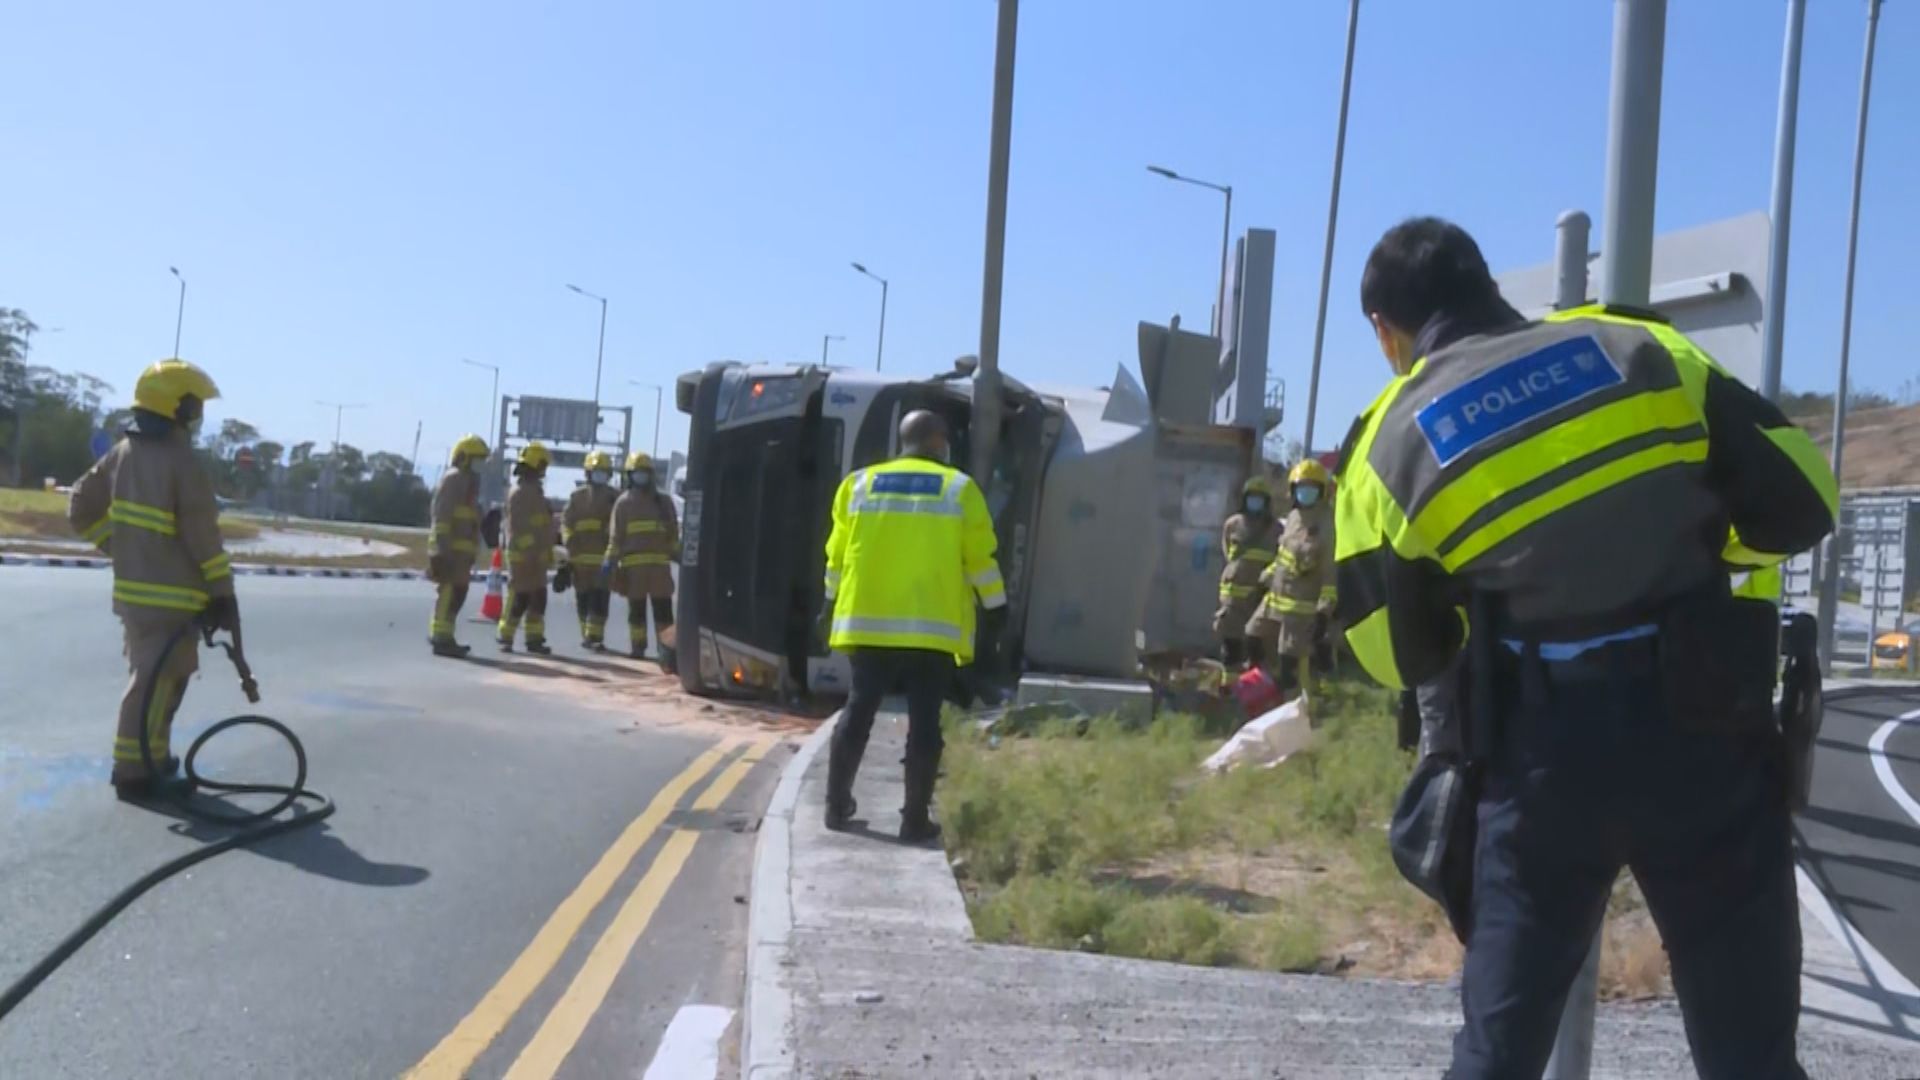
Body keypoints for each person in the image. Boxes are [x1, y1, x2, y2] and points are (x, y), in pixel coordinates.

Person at [1334, 217, 1836, 1080]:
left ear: (1386, 329)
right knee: (1752, 1054)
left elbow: (1393, 654)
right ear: (1489, 285)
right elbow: (1805, 500)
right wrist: (1680, 551)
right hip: (1707, 736)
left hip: (1542, 765)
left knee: (1497, 1056)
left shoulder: (1389, 441)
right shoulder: (1641, 350)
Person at [819, 410, 1006, 842]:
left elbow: (837, 555)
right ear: (939, 441)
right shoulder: (959, 489)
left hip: (867, 625)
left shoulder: (858, 485)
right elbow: (980, 560)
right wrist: (995, 609)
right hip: (930, 630)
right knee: (925, 723)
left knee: (858, 710)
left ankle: (835, 806)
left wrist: (828, 604)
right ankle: (914, 820)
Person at [68, 359, 237, 802]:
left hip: (133, 597)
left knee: (161, 680)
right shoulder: (182, 463)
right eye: (195, 405)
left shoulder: (120, 454)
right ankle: (134, 771)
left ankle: (152, 758)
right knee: (155, 682)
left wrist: (120, 549)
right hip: (175, 600)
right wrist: (223, 594)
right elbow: (204, 537)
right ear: (177, 407)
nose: (198, 415)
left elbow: (79, 509)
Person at [1244, 459, 1336, 701]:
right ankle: (1261, 689)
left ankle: (1292, 711)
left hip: (1300, 610)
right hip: (1274, 599)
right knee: (1252, 634)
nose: (1306, 493)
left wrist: (1323, 613)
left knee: (1289, 663)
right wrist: (1264, 578)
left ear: (1322, 491)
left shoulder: (1327, 526)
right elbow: (1284, 557)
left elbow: (1329, 575)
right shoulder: (1294, 517)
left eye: (1312, 488)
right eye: (1301, 488)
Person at [605, 451, 677, 662]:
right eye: (637, 472)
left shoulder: (663, 502)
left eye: (644, 472)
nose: (640, 476)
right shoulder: (623, 503)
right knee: (636, 613)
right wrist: (608, 562)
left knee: (663, 614)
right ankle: (638, 648)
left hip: (659, 570)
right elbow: (616, 537)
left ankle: (668, 653)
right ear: (629, 475)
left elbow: (673, 533)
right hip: (633, 570)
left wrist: (679, 554)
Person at [427, 434, 489, 658]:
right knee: (449, 592)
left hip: (462, 553)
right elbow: (442, 516)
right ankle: (440, 636)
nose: (480, 465)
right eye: (476, 459)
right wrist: (440, 551)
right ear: (463, 458)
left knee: (458, 592)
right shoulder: (453, 479)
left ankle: (447, 635)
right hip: (450, 550)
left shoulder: (470, 482)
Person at [1213, 475, 1280, 667]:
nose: (1255, 501)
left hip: (1259, 599)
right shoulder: (1233, 524)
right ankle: (1229, 690)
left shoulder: (1276, 530)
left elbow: (1281, 560)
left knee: (1256, 650)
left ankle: (1253, 691)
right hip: (1232, 600)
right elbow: (1229, 554)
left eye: (1260, 497)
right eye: (1252, 497)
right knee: (1230, 650)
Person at [497, 443, 555, 655]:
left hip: (537, 557)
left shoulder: (536, 492)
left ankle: (534, 638)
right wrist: (532, 551)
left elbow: (543, 525)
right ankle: (506, 635)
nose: (544, 470)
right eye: (542, 465)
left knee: (538, 598)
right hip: (522, 556)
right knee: (520, 597)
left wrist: (546, 551)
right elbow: (519, 528)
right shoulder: (519, 493)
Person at [563, 450, 620, 651]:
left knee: (600, 598)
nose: (600, 475)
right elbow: (566, 522)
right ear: (587, 473)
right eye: (596, 471)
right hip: (580, 557)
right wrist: (568, 539)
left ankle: (594, 636)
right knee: (583, 598)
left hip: (604, 558)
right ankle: (587, 633)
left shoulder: (615, 497)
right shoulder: (577, 497)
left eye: (603, 471)